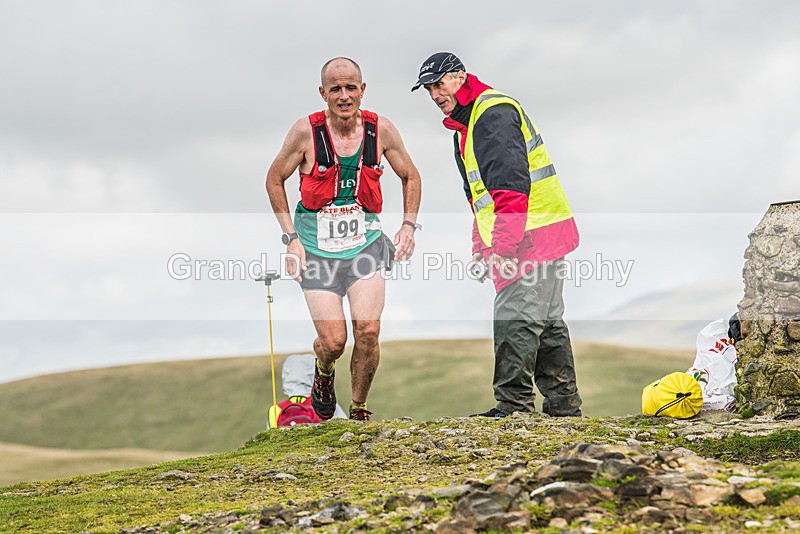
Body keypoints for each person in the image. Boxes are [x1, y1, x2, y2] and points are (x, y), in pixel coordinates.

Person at [412, 52, 582, 418]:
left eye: (439, 84)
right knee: (547, 324)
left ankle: (513, 407)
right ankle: (565, 411)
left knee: (514, 319)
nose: (434, 95)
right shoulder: (470, 122)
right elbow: (481, 196)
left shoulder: (491, 114)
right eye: (429, 89)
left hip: (529, 235)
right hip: (539, 230)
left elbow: (510, 190)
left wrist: (502, 248)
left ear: (460, 77)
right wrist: (480, 245)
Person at [266, 57, 422, 422]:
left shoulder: (381, 130)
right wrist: (290, 238)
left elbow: (410, 176)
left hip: (364, 245)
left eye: (351, 87)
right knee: (334, 342)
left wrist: (408, 226)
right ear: (323, 93)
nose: (344, 95)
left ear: (362, 90)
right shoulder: (305, 132)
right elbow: (274, 179)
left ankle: (358, 408)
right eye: (335, 88)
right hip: (316, 251)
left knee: (367, 330)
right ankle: (323, 371)